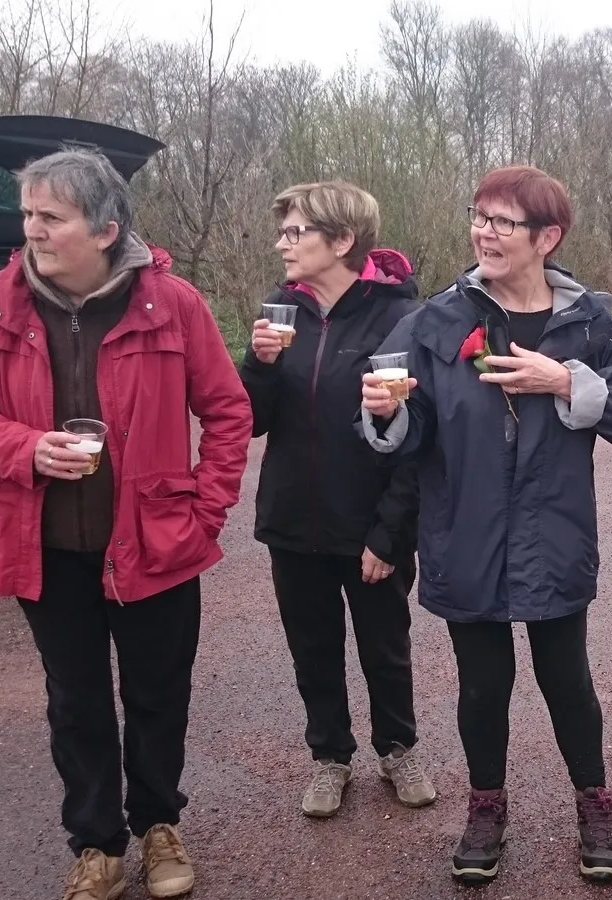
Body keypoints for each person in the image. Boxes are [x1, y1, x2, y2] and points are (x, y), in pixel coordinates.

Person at [0, 148, 252, 900]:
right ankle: (97, 844)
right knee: (75, 702)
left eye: (51, 216)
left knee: (157, 696)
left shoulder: (173, 303)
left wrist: (206, 510)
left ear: (106, 230)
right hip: (43, 546)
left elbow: (228, 411)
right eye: (27, 214)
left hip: (157, 541)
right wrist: (25, 448)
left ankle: (159, 824)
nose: (31, 230)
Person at [357, 165, 612, 885]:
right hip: (464, 535)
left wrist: (566, 381)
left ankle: (594, 804)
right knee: (481, 685)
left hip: (555, 534)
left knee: (568, 680)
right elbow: (408, 430)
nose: (484, 233)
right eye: (479, 216)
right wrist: (385, 412)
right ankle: (486, 808)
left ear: (546, 237)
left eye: (502, 222)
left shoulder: (588, 322)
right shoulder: (437, 320)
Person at [240, 181, 433, 818]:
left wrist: (390, 534)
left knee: (385, 646)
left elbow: (419, 439)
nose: (282, 244)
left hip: (369, 523)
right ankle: (329, 756)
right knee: (313, 647)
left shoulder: (401, 317)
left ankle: (398, 748)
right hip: (292, 518)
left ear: (343, 239)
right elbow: (252, 420)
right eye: (283, 232)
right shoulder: (280, 310)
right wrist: (260, 365)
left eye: (296, 232)